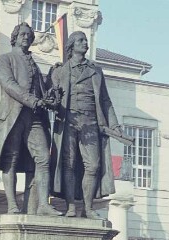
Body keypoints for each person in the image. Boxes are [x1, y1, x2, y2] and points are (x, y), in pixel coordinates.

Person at [0, 22, 62, 216]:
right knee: (10, 160)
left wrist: (52, 78)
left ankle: (43, 205)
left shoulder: (34, 64)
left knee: (43, 159)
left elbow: (42, 90)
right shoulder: (5, 59)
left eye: (29, 35)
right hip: (12, 116)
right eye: (22, 34)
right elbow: (9, 85)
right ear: (14, 37)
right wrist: (33, 100)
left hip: (35, 117)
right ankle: (12, 205)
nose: (26, 37)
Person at [50, 31, 123, 219]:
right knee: (68, 164)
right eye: (80, 40)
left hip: (91, 124)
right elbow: (51, 97)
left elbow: (105, 100)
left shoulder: (96, 71)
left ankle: (88, 208)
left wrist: (114, 125)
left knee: (93, 166)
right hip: (68, 123)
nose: (85, 43)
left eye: (85, 40)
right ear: (72, 45)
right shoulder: (60, 71)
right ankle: (71, 206)